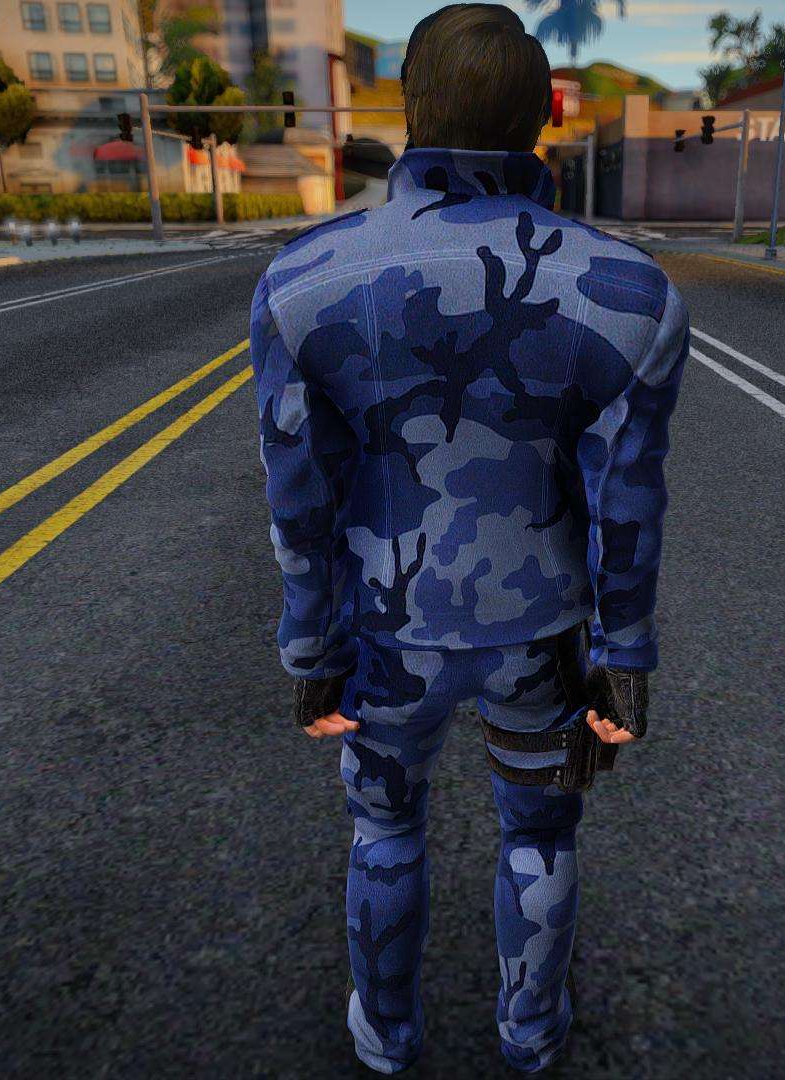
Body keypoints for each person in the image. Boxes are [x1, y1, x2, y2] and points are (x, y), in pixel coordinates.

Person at [247, 4, 688, 1072]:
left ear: (410, 105)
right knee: (539, 835)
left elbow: (300, 497)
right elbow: (628, 498)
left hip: (385, 640)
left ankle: (385, 1039)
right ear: (544, 115)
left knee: (383, 832)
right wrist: (624, 657)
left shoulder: (302, 281)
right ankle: (531, 1036)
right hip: (540, 640)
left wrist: (310, 654)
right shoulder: (635, 292)